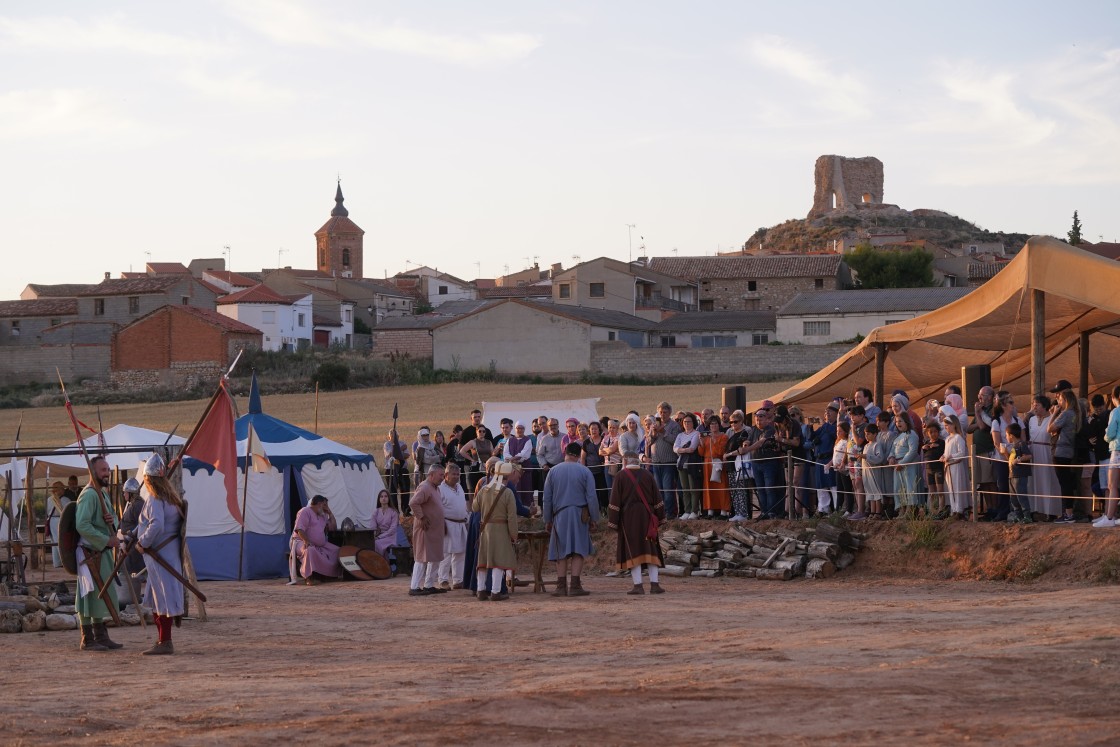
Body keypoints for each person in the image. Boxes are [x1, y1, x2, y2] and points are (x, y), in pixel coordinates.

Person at [135, 453, 187, 655]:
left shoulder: (156, 499)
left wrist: (142, 542)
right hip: (167, 554)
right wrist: (133, 535)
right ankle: (162, 640)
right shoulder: (171, 498)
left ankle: (165, 641)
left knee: (162, 599)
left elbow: (156, 524)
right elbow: (149, 523)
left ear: (147, 479)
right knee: (160, 598)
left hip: (161, 555)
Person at [74, 456, 123, 652]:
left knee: (100, 595)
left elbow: (111, 525)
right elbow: (82, 524)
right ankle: (87, 639)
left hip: (100, 553)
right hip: (89, 553)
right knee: (88, 595)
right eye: (103, 470)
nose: (107, 473)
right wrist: (105, 540)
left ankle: (101, 636)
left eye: (108, 469)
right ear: (92, 472)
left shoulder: (102, 495)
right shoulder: (89, 495)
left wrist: (113, 522)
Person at [543, 442, 599, 597]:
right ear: (577, 454)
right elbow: (591, 497)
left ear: (565, 453)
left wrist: (547, 519)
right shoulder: (585, 471)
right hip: (579, 514)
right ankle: (575, 586)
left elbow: (546, 499)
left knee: (560, 550)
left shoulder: (553, 471)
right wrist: (594, 518)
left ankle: (561, 586)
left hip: (559, 515)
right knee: (578, 550)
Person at [608, 451, 666, 595]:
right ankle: (654, 585)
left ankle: (638, 586)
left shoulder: (620, 476)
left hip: (629, 518)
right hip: (647, 516)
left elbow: (614, 501)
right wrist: (660, 517)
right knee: (650, 549)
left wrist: (613, 521)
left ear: (625, 462)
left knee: (633, 550)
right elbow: (658, 498)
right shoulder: (648, 475)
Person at [471, 462, 521, 601]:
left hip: (485, 529)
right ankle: (495, 591)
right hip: (501, 530)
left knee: (483, 560)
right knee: (498, 561)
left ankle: (480, 590)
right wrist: (514, 535)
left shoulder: (484, 489)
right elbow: (512, 517)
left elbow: (474, 508)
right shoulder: (508, 493)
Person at [408, 464, 446, 596]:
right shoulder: (425, 487)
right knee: (421, 558)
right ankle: (414, 586)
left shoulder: (435, 488)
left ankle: (429, 585)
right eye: (441, 475)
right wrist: (422, 517)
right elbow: (413, 503)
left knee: (434, 557)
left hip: (434, 530)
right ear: (432, 475)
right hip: (425, 529)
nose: (443, 478)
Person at [291, 494, 342, 584]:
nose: (326, 508)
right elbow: (299, 529)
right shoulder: (305, 511)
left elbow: (333, 528)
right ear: (319, 504)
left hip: (320, 545)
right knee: (310, 550)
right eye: (325, 505)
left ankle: (330, 575)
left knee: (337, 551)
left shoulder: (323, 515)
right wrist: (306, 540)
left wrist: (330, 513)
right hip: (301, 541)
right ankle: (308, 577)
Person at [1049, 389, 1083, 524]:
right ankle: (1068, 512)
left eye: (1060, 399)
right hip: (1069, 451)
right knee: (1066, 482)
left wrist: (1055, 413)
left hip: (1060, 451)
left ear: (1066, 400)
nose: (1058, 402)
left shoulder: (1066, 413)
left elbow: (1049, 428)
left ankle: (1068, 514)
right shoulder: (1076, 413)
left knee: (1064, 483)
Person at [1026, 395, 1061, 519]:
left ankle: (1050, 511)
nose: (1034, 407)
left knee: (1048, 481)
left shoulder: (1052, 418)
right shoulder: (1031, 420)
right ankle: (1035, 510)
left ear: (1045, 406)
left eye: (1037, 405)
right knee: (1034, 482)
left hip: (1046, 453)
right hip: (1033, 453)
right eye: (1033, 404)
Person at [437, 463, 469, 590]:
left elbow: (463, 504)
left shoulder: (460, 487)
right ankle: (443, 579)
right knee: (446, 553)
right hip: (447, 524)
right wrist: (441, 524)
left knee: (460, 553)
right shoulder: (440, 489)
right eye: (453, 474)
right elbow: (438, 509)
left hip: (461, 524)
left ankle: (458, 580)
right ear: (446, 475)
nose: (456, 477)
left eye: (458, 474)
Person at [649, 402, 682, 519]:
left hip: (669, 462)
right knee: (659, 490)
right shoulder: (654, 424)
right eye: (660, 412)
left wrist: (663, 433)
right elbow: (649, 443)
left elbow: (675, 441)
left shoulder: (674, 426)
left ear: (670, 413)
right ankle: (661, 513)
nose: (662, 414)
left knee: (668, 489)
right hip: (656, 461)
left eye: (665, 412)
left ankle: (670, 514)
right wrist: (653, 434)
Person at [116, 477, 145, 605]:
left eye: (125, 492)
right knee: (125, 571)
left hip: (133, 545)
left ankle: (129, 600)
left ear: (131, 492)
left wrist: (128, 538)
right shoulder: (132, 504)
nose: (123, 494)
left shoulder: (138, 505)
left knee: (128, 571)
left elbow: (142, 524)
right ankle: (127, 598)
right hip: (127, 544)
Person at [890, 413, 924, 516]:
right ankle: (902, 510)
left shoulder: (912, 434)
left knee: (910, 487)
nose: (898, 423)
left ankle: (910, 510)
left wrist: (902, 463)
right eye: (896, 421)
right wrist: (891, 457)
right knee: (899, 488)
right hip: (898, 465)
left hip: (909, 465)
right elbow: (892, 450)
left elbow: (913, 451)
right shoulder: (898, 436)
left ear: (906, 421)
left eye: (900, 421)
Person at [1095, 386, 1120, 528]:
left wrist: (1105, 436)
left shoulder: (1116, 412)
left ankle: (1109, 517)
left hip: (1117, 450)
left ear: (1114, 397)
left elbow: (1110, 433)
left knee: (1112, 485)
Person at [699, 414, 730, 518]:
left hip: (718, 462)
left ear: (719, 424)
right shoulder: (706, 438)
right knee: (708, 487)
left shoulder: (724, 436)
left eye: (715, 423)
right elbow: (701, 453)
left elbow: (721, 451)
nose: (713, 426)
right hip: (707, 463)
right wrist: (701, 443)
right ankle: (710, 511)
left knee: (721, 486)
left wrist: (715, 440)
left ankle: (723, 511)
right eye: (711, 424)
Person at [724, 410, 753, 522]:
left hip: (739, 465)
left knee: (741, 489)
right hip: (731, 466)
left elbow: (741, 450)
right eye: (731, 422)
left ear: (741, 421)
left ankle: (743, 513)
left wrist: (728, 454)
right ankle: (737, 512)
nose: (733, 424)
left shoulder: (744, 433)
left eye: (735, 422)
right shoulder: (732, 435)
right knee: (734, 490)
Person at [673, 413, 702, 520]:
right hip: (681, 464)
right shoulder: (680, 435)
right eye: (685, 422)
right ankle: (687, 510)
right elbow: (675, 448)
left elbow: (693, 448)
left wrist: (681, 450)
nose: (687, 424)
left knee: (693, 487)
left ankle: (694, 510)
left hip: (692, 464)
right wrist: (684, 450)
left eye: (689, 421)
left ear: (693, 422)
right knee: (685, 488)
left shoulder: (696, 434)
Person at [1003, 422, 1033, 523]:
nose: (1005, 436)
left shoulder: (1021, 444)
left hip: (1020, 475)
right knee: (1013, 498)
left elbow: (1029, 456)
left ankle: (1027, 516)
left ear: (1011, 436)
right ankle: (1018, 516)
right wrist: (1005, 453)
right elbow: (1010, 460)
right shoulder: (1013, 446)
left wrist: (1019, 459)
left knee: (1021, 496)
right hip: (1012, 475)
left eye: (1006, 435)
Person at [942, 415, 971, 518]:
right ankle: (953, 509)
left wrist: (951, 456)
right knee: (951, 489)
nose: (946, 427)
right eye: (944, 425)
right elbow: (946, 453)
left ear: (953, 425)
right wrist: (944, 456)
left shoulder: (958, 438)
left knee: (957, 488)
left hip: (956, 466)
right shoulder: (947, 439)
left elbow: (962, 453)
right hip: (949, 466)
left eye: (947, 425)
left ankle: (959, 510)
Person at [383, 428, 411, 513]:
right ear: (389, 437)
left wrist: (398, 453)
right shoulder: (387, 444)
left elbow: (407, 455)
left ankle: (406, 509)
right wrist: (400, 450)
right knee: (392, 491)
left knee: (405, 489)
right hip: (390, 469)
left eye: (395, 435)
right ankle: (395, 511)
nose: (394, 437)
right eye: (392, 435)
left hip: (402, 469)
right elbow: (389, 454)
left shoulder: (402, 443)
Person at [46, 481, 72, 568]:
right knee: (59, 541)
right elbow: (67, 512)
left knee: (55, 541)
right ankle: (62, 561)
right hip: (58, 520)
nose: (63, 490)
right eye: (61, 488)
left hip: (53, 520)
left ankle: (57, 562)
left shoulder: (50, 499)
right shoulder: (65, 500)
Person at [371, 489, 400, 562]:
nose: (383, 498)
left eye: (385, 496)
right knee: (370, 543)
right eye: (381, 497)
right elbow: (373, 527)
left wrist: (380, 537)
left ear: (388, 498)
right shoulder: (376, 512)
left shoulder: (394, 512)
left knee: (377, 544)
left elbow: (392, 529)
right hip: (378, 536)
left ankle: (380, 563)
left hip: (390, 537)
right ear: (379, 499)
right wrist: (374, 535)